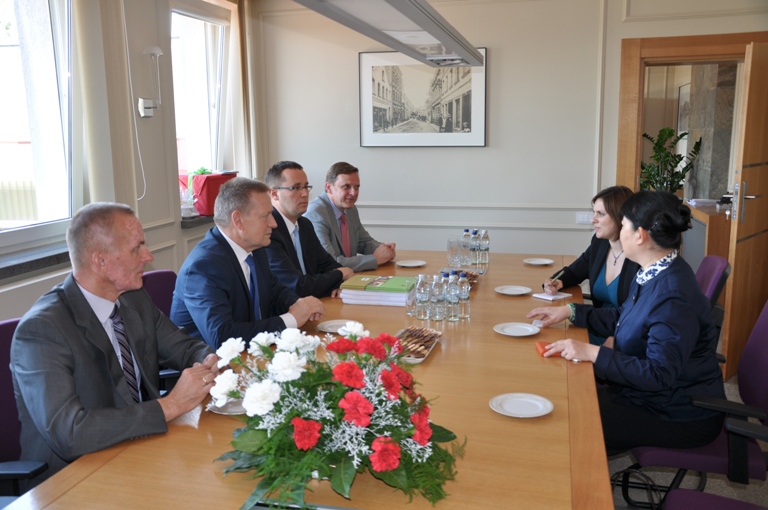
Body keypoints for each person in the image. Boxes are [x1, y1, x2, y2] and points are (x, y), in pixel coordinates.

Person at [10, 203, 220, 486]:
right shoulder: (43, 330)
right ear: (101, 261)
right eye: (136, 248)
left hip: (141, 450)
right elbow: (70, 434)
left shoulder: (134, 298)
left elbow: (184, 347)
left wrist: (210, 362)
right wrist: (170, 405)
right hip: (74, 481)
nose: (148, 256)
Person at [528, 191, 725, 456]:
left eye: (623, 226)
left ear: (640, 235)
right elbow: (625, 315)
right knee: (567, 401)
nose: (620, 233)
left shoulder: (672, 296)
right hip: (649, 396)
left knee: (572, 424)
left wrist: (593, 353)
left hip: (678, 411)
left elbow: (659, 375)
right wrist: (571, 312)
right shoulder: (658, 269)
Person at [171, 177, 325, 349]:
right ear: (238, 220)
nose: (273, 223)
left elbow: (275, 291)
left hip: (252, 352)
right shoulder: (203, 267)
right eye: (265, 216)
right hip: (209, 361)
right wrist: (292, 319)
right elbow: (222, 337)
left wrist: (299, 304)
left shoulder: (255, 249)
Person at [542, 186, 638, 345]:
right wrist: (557, 281)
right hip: (596, 326)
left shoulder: (640, 258)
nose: (593, 219)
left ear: (621, 217)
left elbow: (637, 317)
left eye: (601, 214)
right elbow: (576, 270)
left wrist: (615, 341)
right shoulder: (600, 243)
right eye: (594, 213)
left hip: (623, 338)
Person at [264, 161, 355, 298]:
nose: (305, 194)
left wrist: (337, 282)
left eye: (306, 187)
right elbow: (297, 286)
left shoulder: (305, 224)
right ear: (274, 193)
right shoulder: (268, 231)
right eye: (296, 188)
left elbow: (328, 265)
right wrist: (340, 275)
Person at [304, 162, 396, 272]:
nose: (353, 193)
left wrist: (384, 250)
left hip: (351, 277)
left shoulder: (350, 208)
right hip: (329, 280)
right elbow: (331, 263)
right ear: (329, 188)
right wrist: (375, 259)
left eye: (356, 187)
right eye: (346, 187)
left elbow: (364, 242)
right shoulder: (316, 214)